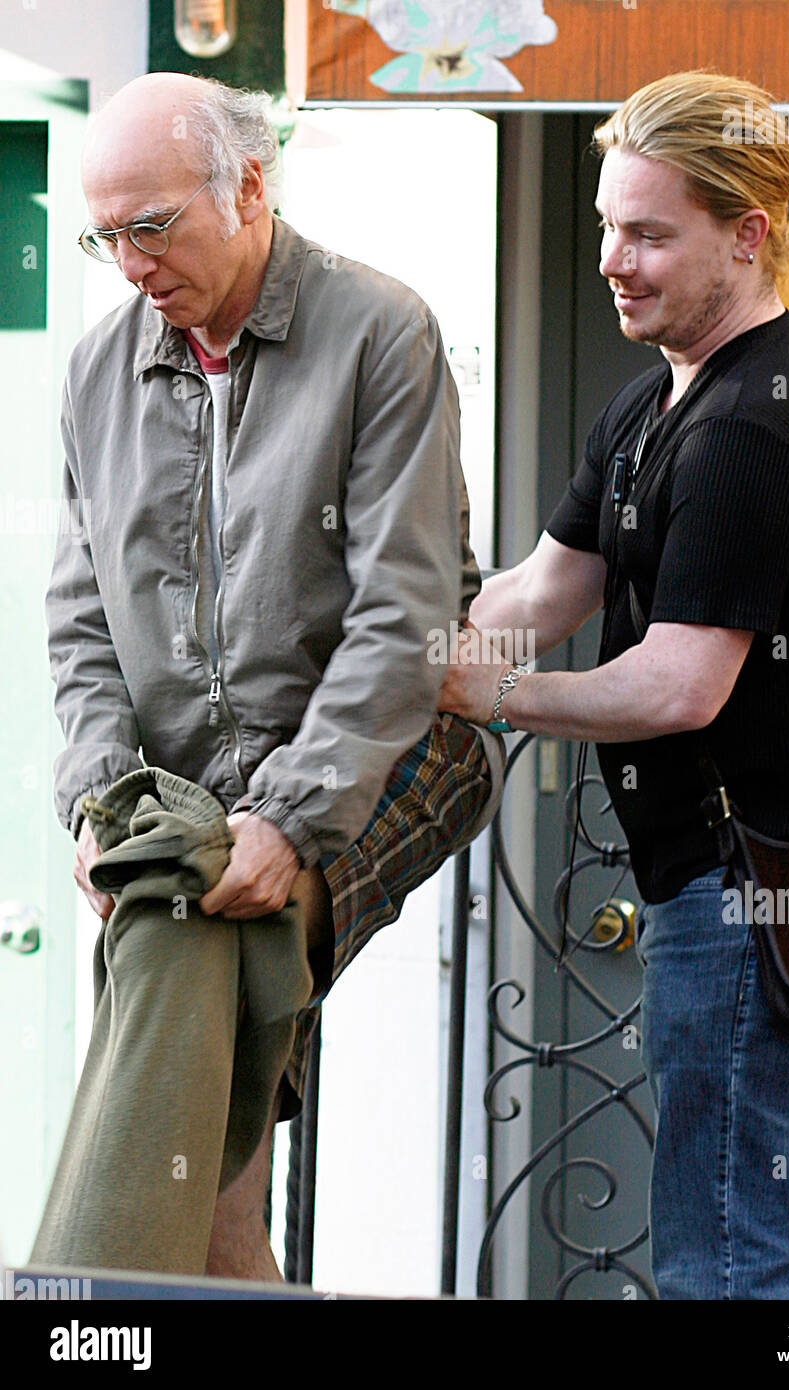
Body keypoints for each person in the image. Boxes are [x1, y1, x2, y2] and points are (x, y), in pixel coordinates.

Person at [439, 70, 789, 1300]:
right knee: (726, 1254)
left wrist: (481, 696)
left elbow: (672, 687)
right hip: (721, 892)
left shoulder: (752, 422)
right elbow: (546, 590)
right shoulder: (658, 394)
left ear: (745, 234)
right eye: (605, 226)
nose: (611, 259)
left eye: (648, 233)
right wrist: (408, 644)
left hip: (759, 901)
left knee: (734, 1267)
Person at [34, 71, 502, 1281]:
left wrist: (290, 821)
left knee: (192, 932)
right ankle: (138, 1275)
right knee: (215, 1196)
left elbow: (403, 620)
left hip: (386, 754)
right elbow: (80, 617)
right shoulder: (95, 372)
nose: (129, 261)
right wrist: (99, 801)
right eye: (106, 233)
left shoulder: (379, 331)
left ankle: (86, 1299)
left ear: (249, 186)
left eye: (153, 225)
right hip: (190, 793)